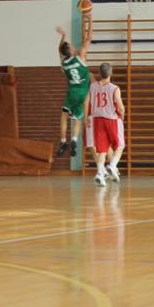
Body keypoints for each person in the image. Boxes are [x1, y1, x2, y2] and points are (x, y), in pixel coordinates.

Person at [55, 15, 92, 158]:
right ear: (70, 50)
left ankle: (63, 141)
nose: (72, 45)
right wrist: (90, 19)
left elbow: (60, 50)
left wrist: (63, 36)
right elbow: (89, 38)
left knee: (64, 117)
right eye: (71, 45)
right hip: (82, 94)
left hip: (71, 93)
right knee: (77, 119)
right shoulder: (80, 56)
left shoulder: (63, 63)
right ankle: (74, 141)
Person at [89, 63, 125, 187]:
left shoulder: (92, 86)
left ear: (99, 73)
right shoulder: (114, 88)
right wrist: (122, 113)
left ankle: (100, 175)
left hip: (97, 120)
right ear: (111, 73)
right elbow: (120, 106)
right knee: (120, 146)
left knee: (102, 150)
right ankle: (112, 166)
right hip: (112, 120)